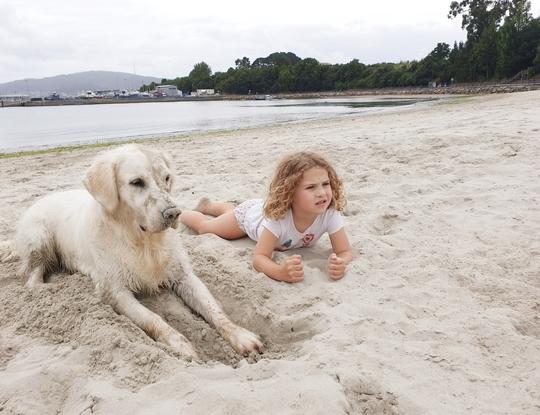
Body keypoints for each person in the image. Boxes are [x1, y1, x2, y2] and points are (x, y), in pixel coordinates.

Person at [180, 151, 353, 283]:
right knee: (205, 228)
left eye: (325, 184)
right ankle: (184, 212)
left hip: (260, 209)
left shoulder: (329, 213)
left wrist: (341, 263)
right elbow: (259, 258)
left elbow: (344, 251)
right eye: (311, 187)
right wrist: (280, 273)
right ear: (290, 192)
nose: (322, 193)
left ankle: (212, 206)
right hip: (246, 218)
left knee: (228, 214)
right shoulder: (279, 218)